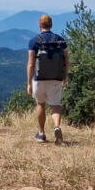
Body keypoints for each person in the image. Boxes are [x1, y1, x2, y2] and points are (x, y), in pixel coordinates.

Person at [27, 14, 69, 144]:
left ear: (40, 25)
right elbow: (67, 61)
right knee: (55, 105)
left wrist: (29, 83)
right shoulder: (61, 41)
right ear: (51, 25)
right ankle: (57, 126)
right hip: (56, 78)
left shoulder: (34, 41)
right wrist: (65, 76)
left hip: (39, 79)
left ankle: (41, 134)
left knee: (40, 104)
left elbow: (31, 63)